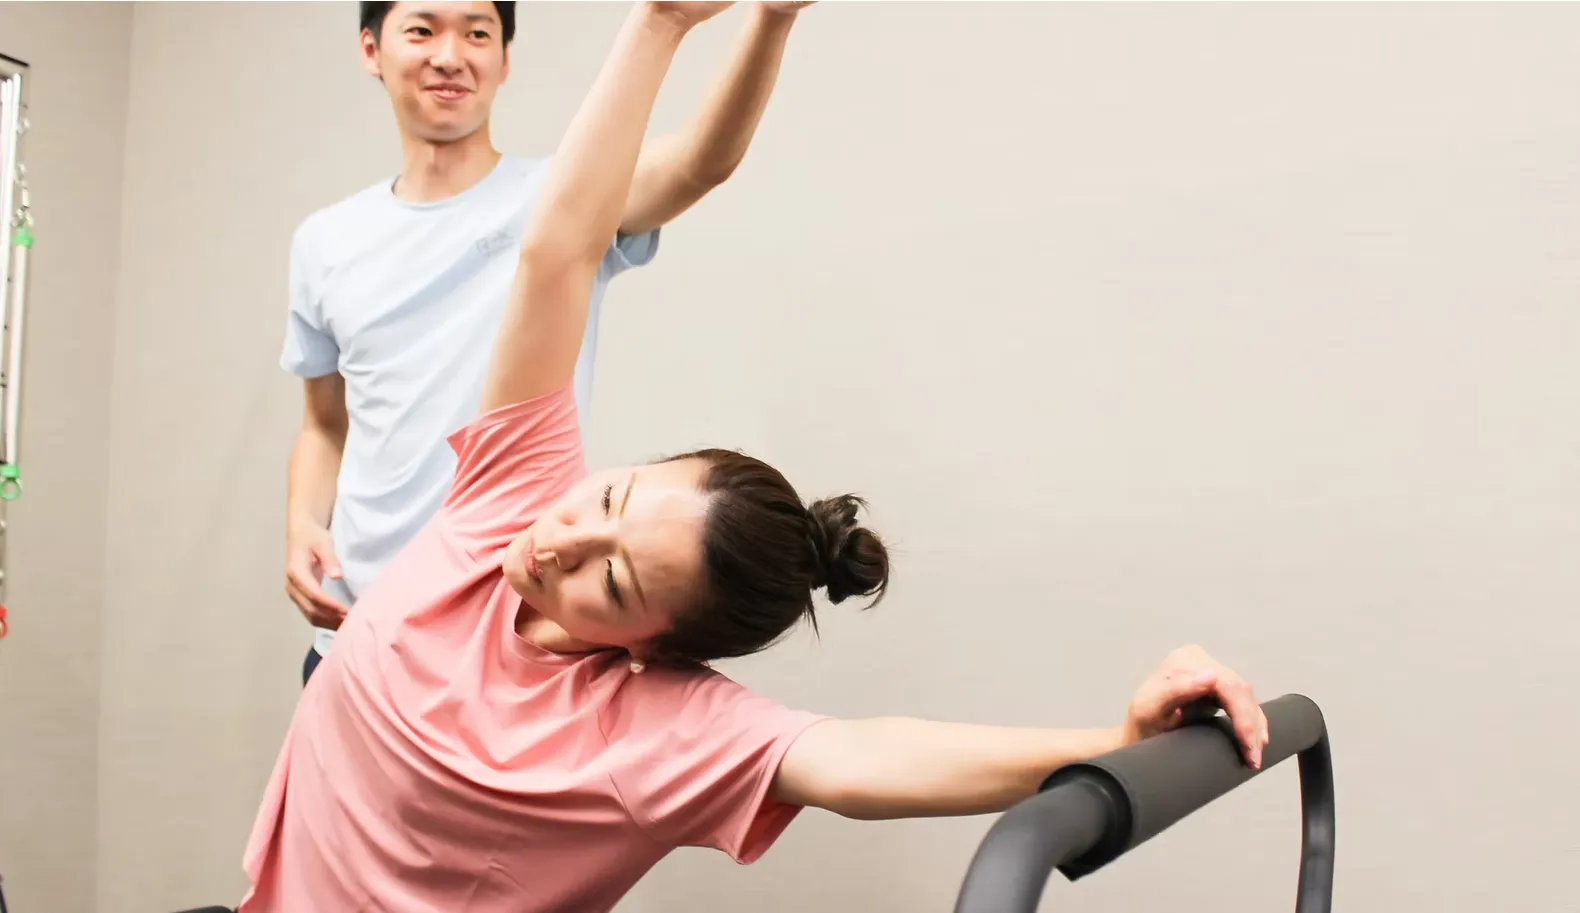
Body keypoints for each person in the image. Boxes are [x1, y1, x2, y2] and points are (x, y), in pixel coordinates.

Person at [236, 3, 1273, 911]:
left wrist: (1113, 742)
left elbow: (854, 760)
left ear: (651, 653)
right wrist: (658, 20)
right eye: (607, 498)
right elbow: (553, 257)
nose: (560, 541)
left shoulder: (637, 728)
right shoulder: (505, 499)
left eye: (612, 580)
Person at [283, 0, 812, 685]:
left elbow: (698, 163)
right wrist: (303, 524)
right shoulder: (325, 241)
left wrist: (772, 18)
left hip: (496, 642)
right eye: (422, 30)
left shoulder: (564, 201)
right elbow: (325, 424)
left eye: (478, 33)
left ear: (504, 58)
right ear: (370, 49)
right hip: (352, 633)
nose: (450, 55)